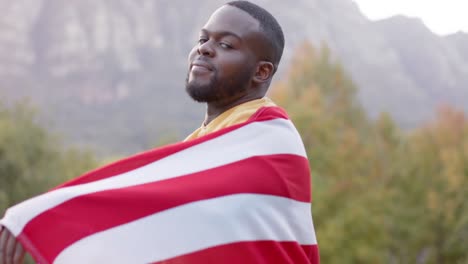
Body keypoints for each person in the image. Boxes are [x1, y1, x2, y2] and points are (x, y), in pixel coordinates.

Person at [0, 1, 319, 263]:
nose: (205, 49)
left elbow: (152, 196)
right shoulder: (200, 146)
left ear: (261, 71)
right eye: (202, 39)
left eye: (225, 44)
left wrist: (46, 215)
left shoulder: (272, 143)